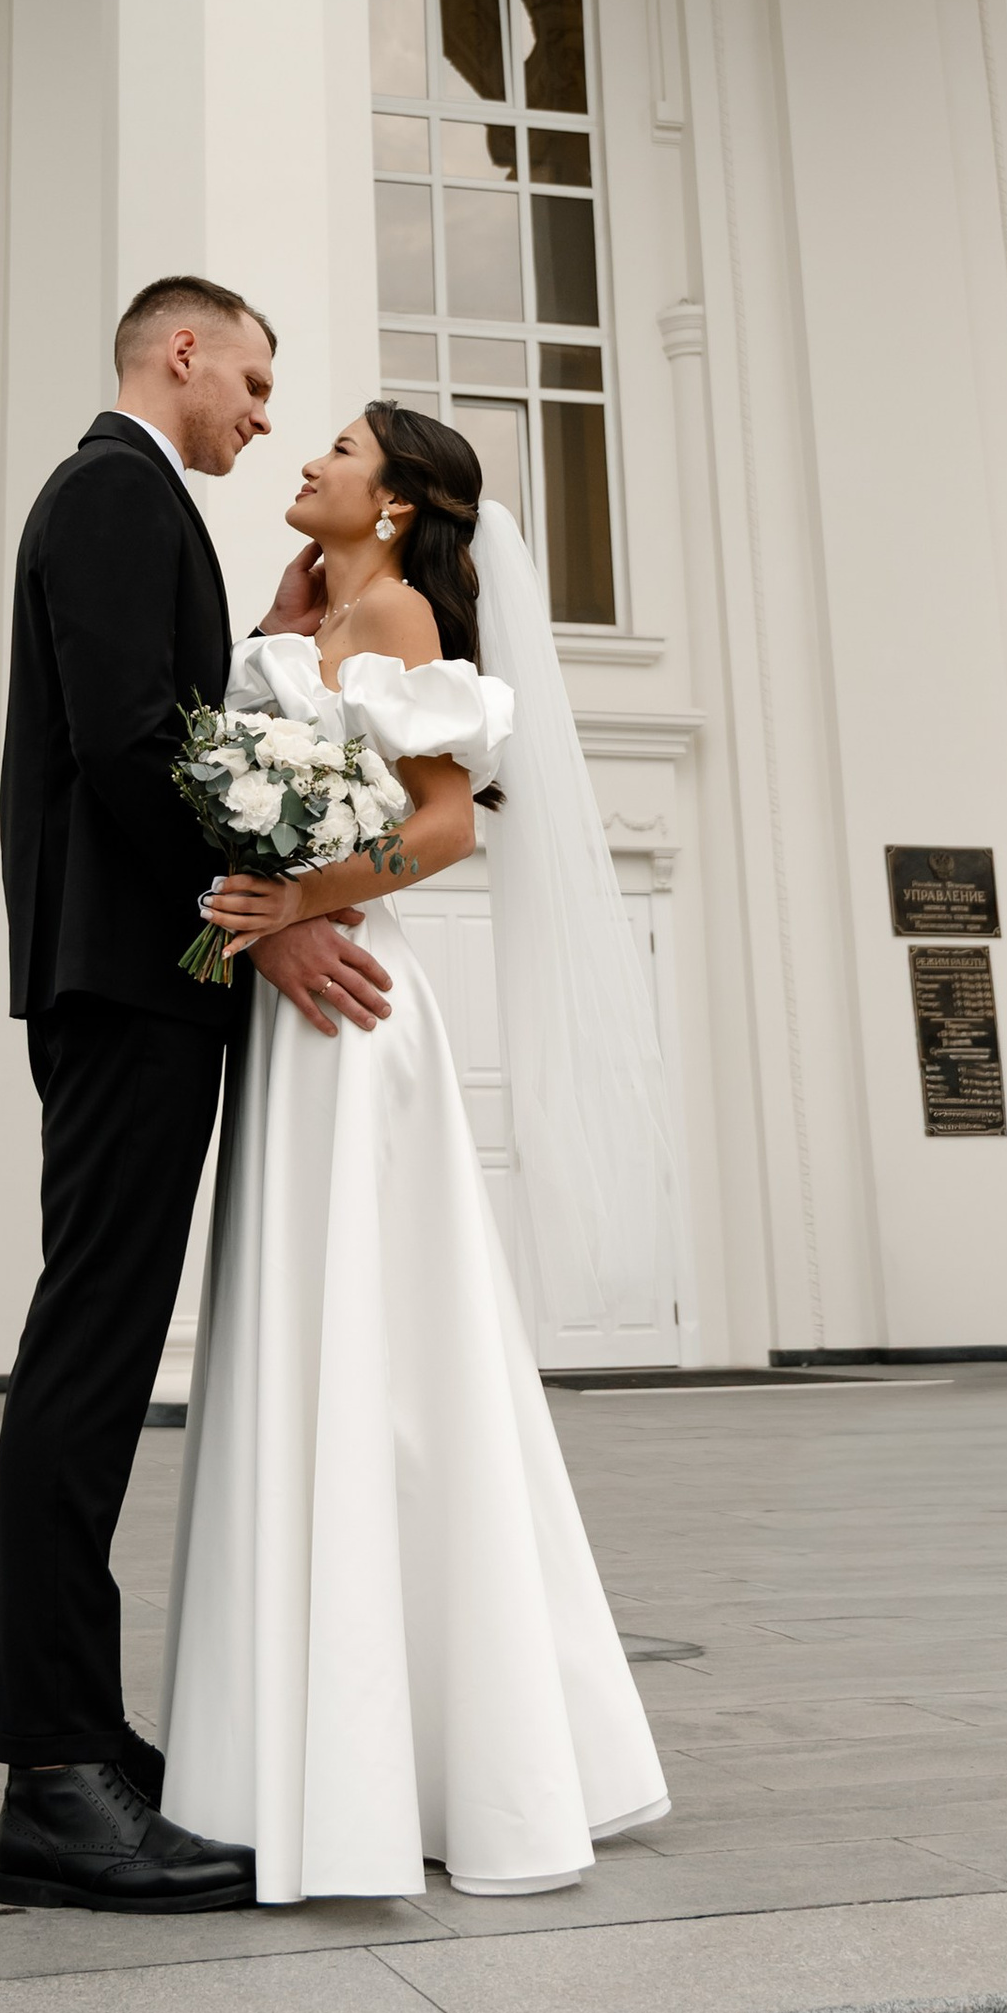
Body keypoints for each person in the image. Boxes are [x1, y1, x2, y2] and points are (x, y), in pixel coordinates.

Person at [161, 405, 670, 1902]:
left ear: (391, 501)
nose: (305, 461)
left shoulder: (396, 611)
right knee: (310, 1355)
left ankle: (427, 1762)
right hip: (288, 1019)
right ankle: (306, 1753)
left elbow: (444, 824)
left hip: (354, 1019)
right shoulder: (312, 605)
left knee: (384, 1370)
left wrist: (291, 902)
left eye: (335, 449)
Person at [0, 275, 394, 1914]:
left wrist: (276, 656)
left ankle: (86, 1736)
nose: (264, 413)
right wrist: (267, 921)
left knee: (99, 1354)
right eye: (254, 377)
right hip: (125, 984)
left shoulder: (143, 504)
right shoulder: (109, 489)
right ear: (184, 352)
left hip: (146, 985)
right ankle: (55, 1784)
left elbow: (171, 723)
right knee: (86, 1363)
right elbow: (123, 746)